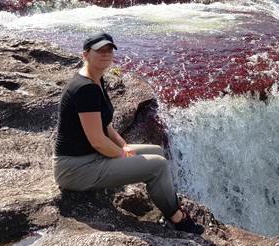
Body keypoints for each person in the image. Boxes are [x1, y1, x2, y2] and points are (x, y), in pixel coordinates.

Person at [53, 32, 204, 234]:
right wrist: (123, 155)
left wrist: (125, 147)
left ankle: (171, 204)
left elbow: (105, 126)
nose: (106, 54)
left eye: (109, 50)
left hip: (91, 158)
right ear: (86, 54)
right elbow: (98, 141)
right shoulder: (84, 89)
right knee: (157, 166)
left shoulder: (96, 80)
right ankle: (177, 219)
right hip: (76, 169)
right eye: (100, 50)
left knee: (157, 152)